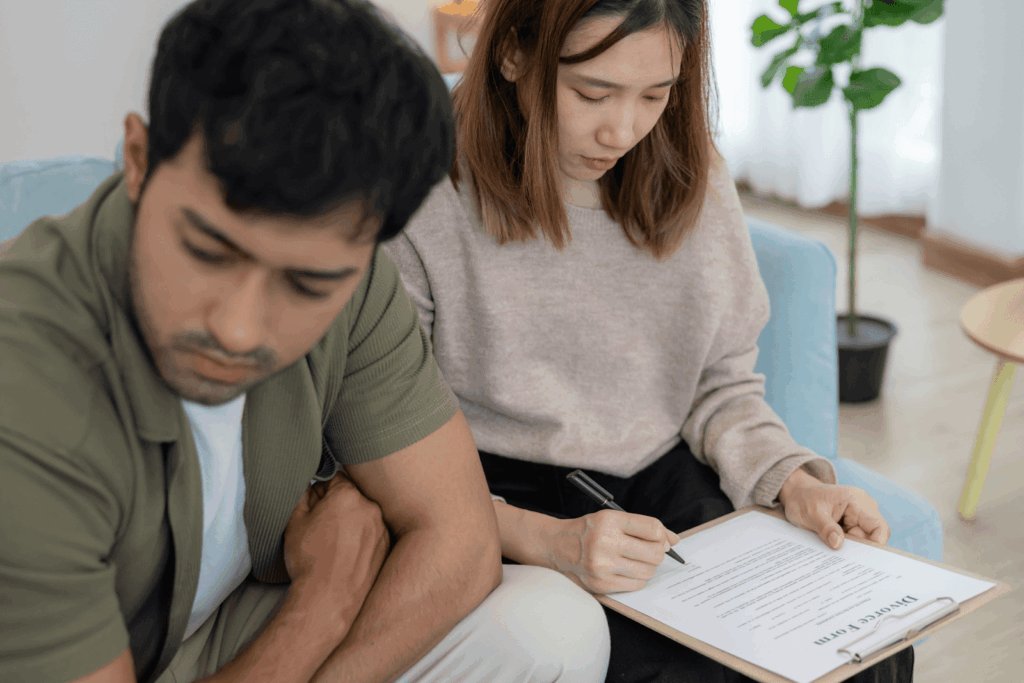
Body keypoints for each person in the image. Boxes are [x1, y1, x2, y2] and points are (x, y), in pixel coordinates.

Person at [0, 1, 611, 682]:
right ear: (139, 162)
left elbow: (459, 537)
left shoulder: (357, 277)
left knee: (549, 628)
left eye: (307, 282)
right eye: (207, 251)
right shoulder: (22, 384)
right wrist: (319, 608)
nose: (236, 328)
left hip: (217, 629)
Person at [382, 0, 916, 681]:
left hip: (662, 476)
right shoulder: (426, 188)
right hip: (488, 491)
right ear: (514, 54)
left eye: (655, 94)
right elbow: (390, 448)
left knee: (866, 644)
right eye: (592, 92)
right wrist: (544, 539)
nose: (623, 129)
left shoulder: (694, 173)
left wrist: (791, 480)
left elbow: (719, 382)